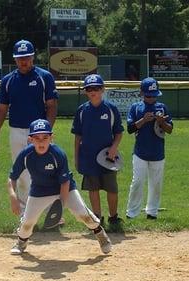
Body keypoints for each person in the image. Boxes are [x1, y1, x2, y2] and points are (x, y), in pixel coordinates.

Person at [8, 118, 112, 255]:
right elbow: (12, 178)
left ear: (51, 138)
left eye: (45, 137)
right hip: (40, 190)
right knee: (28, 222)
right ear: (30, 140)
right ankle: (21, 242)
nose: (41, 141)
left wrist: (60, 205)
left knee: (83, 214)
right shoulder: (25, 155)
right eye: (37, 138)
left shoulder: (58, 154)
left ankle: (100, 234)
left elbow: (65, 182)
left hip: (65, 189)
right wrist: (13, 198)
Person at [0, 39, 58, 214]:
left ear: (33, 57)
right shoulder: (8, 81)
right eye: (20, 58)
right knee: (20, 174)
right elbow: (1, 109)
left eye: (26, 57)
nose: (23, 61)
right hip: (17, 131)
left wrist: (46, 131)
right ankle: (26, 215)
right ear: (15, 59)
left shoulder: (44, 77)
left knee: (44, 169)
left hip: (38, 133)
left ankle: (52, 212)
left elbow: (52, 105)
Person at [71, 74, 124, 229]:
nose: (93, 91)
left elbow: (119, 132)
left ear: (102, 89)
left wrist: (114, 147)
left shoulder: (110, 109)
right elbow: (77, 136)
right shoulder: (82, 110)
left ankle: (113, 218)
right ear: (86, 91)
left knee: (111, 188)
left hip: (108, 156)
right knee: (93, 188)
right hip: (88, 156)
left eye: (96, 88)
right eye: (89, 88)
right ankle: (97, 218)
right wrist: (76, 157)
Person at [126, 77, 173, 219]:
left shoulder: (162, 107)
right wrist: (144, 120)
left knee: (156, 184)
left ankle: (152, 212)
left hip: (158, 152)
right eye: (148, 95)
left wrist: (161, 122)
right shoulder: (136, 107)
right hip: (140, 152)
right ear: (141, 93)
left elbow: (169, 129)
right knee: (137, 182)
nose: (151, 99)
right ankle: (131, 213)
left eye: (154, 96)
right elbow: (130, 129)